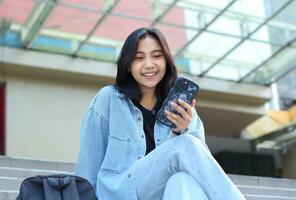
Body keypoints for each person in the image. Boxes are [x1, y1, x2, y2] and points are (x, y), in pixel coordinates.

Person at [75, 27, 245, 200]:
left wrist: (179, 131)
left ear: (166, 61)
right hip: (121, 194)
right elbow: (88, 163)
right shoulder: (109, 99)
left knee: (183, 179)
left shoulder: (182, 108)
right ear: (128, 65)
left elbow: (201, 167)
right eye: (139, 58)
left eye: (157, 56)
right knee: (185, 144)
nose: (149, 64)